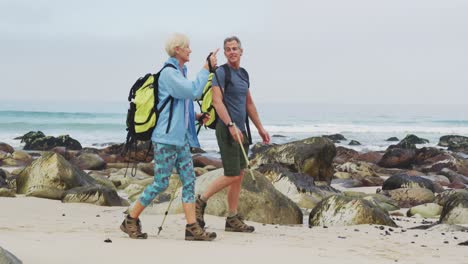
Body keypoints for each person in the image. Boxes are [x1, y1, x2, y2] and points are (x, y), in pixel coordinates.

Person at [120, 33, 218, 241]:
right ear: (177, 49)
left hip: (180, 140)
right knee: (160, 183)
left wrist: (197, 116)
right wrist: (206, 68)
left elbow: (181, 105)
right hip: (165, 140)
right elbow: (192, 92)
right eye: (187, 47)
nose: (190, 50)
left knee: (190, 180)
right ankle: (130, 218)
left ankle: (192, 227)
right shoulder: (169, 74)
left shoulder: (179, 72)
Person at [196, 36, 270, 233]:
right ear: (225, 52)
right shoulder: (221, 72)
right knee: (231, 174)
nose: (232, 52)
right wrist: (230, 125)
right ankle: (200, 201)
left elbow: (249, 104)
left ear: (241, 51)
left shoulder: (244, 74)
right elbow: (217, 101)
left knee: (239, 176)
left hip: (242, 130)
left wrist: (260, 128)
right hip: (227, 129)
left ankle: (232, 218)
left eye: (235, 48)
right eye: (228, 49)